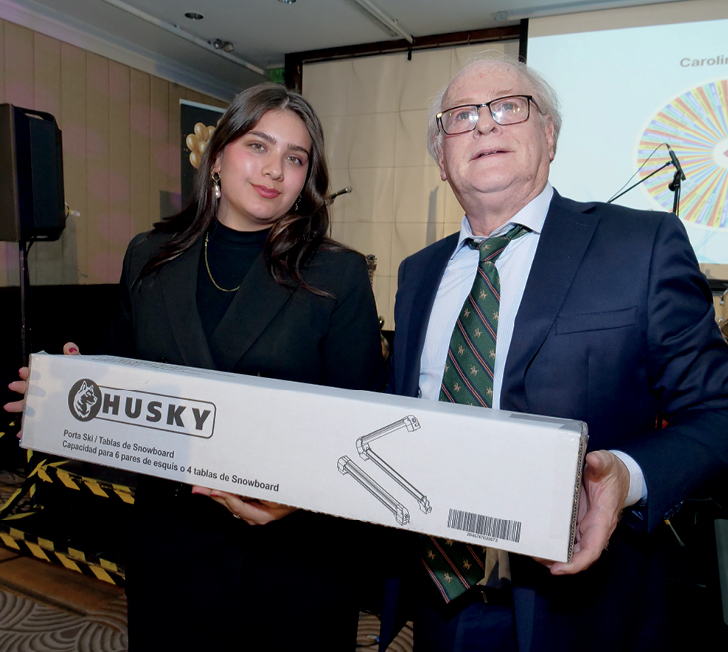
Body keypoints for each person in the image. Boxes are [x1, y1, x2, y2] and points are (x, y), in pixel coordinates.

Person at [6, 83, 385, 651]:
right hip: (172, 551)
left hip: (294, 563)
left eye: (295, 158)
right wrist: (68, 392)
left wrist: (296, 499)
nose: (274, 169)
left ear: (307, 179)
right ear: (218, 156)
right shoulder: (150, 255)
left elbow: (363, 426)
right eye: (258, 145)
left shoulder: (336, 274)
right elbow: (122, 376)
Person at [381, 52, 728, 652]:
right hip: (439, 606)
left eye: (508, 107)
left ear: (549, 135)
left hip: (585, 614)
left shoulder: (640, 246)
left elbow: (717, 412)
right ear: (441, 157)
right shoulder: (417, 275)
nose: (483, 124)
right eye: (461, 116)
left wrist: (627, 477)